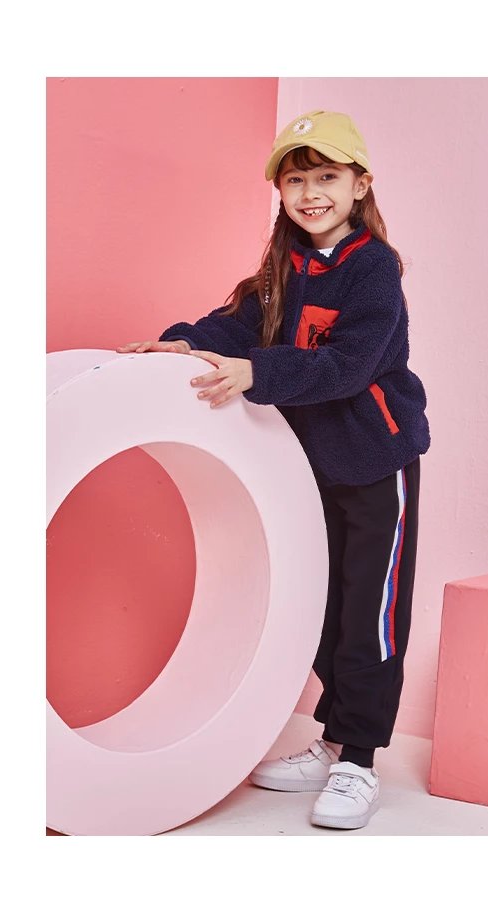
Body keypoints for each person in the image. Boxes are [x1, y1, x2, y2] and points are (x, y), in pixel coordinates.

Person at [116, 109, 430, 830]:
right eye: (295, 181)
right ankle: (333, 740)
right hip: (305, 464)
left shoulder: (374, 269)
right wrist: (181, 343)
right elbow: (236, 324)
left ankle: (359, 760)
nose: (310, 193)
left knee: (371, 613)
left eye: (327, 177)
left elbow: (349, 365)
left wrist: (255, 372)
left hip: (374, 460)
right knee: (317, 605)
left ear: (360, 185)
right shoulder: (283, 265)